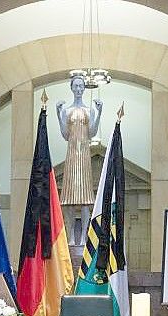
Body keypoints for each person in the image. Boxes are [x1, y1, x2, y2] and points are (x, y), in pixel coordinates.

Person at [56, 74, 102, 245]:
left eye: (81, 86)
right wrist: (58, 114)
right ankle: (70, 236)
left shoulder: (89, 110)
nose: (78, 89)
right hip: (71, 154)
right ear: (71, 88)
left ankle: (83, 236)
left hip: (84, 155)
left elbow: (92, 132)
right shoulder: (66, 111)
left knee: (84, 200)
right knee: (67, 199)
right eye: (75, 86)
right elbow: (65, 134)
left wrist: (99, 113)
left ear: (84, 88)